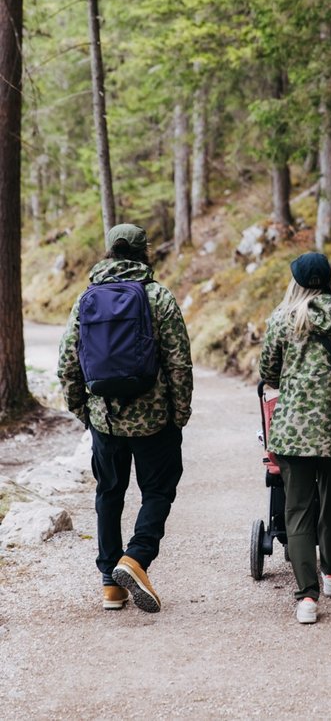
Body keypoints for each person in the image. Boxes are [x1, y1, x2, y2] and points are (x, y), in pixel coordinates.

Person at [58, 223, 193, 614]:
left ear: (109, 252)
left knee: (108, 494)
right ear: (143, 252)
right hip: (154, 420)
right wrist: (179, 413)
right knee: (158, 491)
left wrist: (84, 411)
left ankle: (109, 587)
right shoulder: (158, 297)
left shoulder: (86, 298)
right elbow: (179, 363)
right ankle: (135, 558)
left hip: (105, 419)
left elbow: (68, 363)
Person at [259, 252, 331, 625]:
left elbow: (268, 371)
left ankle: (307, 597)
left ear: (296, 282)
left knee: (298, 509)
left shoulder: (282, 317)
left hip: (291, 429)